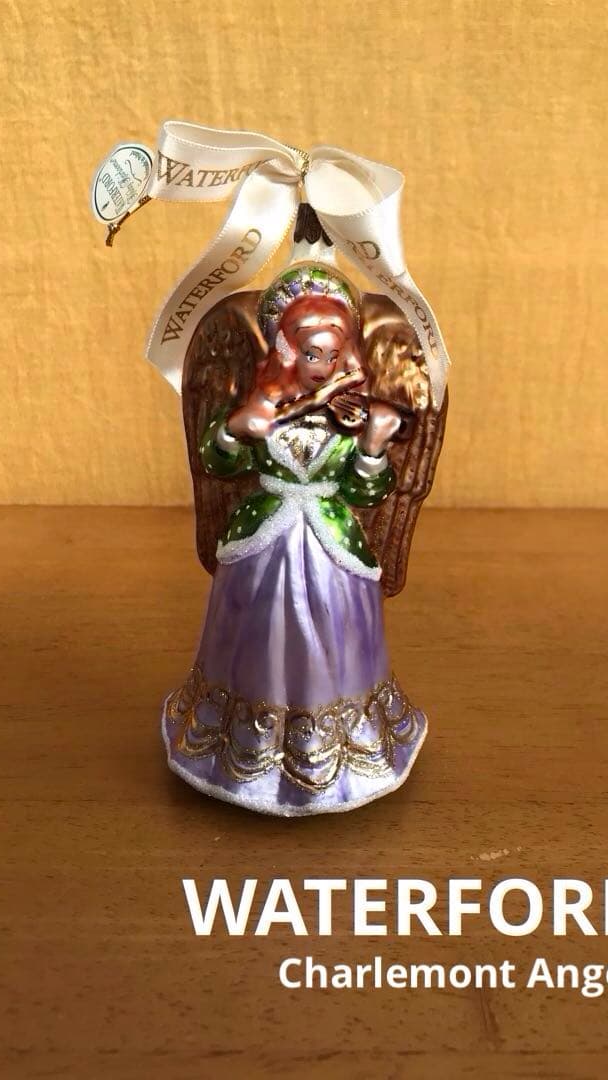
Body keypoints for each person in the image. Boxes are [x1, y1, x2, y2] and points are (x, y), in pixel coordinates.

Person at [162, 269, 427, 816]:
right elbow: (217, 463)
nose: (323, 368)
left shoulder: (349, 417)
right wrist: (234, 429)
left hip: (331, 543)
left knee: (333, 630)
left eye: (332, 355)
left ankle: (338, 738)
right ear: (287, 351)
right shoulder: (266, 405)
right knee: (258, 632)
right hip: (262, 541)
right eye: (311, 354)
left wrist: (373, 448)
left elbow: (366, 490)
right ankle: (245, 738)